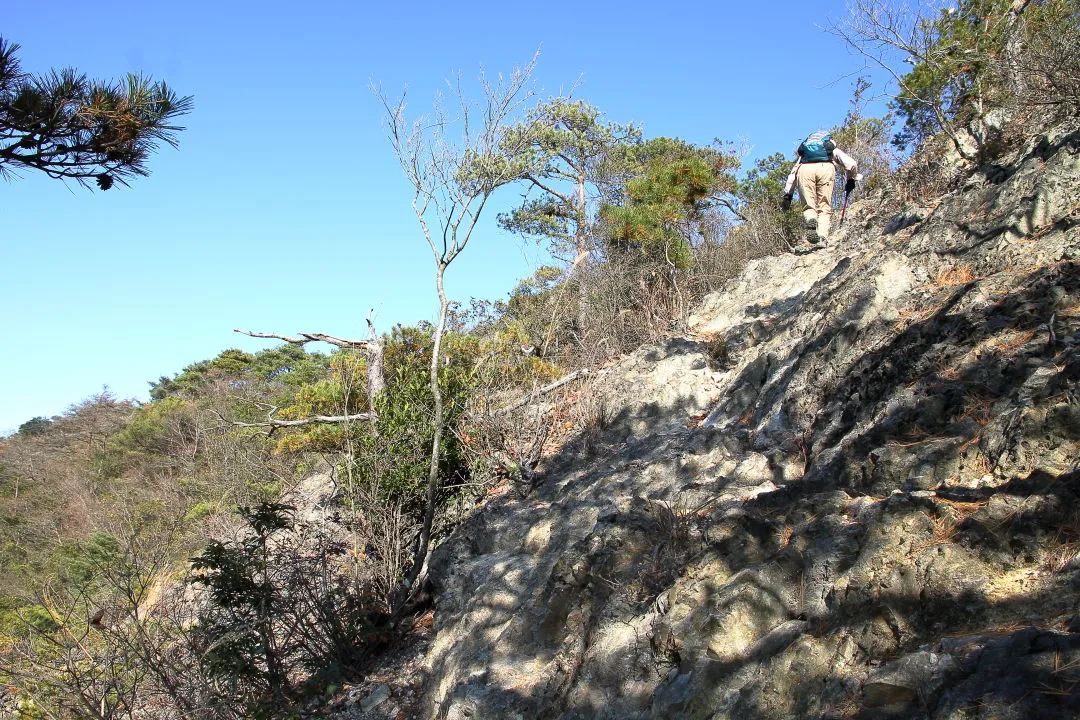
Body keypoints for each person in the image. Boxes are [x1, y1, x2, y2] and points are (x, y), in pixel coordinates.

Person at [781, 131, 859, 250]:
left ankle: (811, 220)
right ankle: (822, 237)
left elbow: (793, 173)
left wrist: (788, 194)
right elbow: (851, 164)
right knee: (824, 205)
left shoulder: (804, 154)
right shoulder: (831, 148)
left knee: (808, 206)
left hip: (805, 170)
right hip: (825, 168)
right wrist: (851, 179)